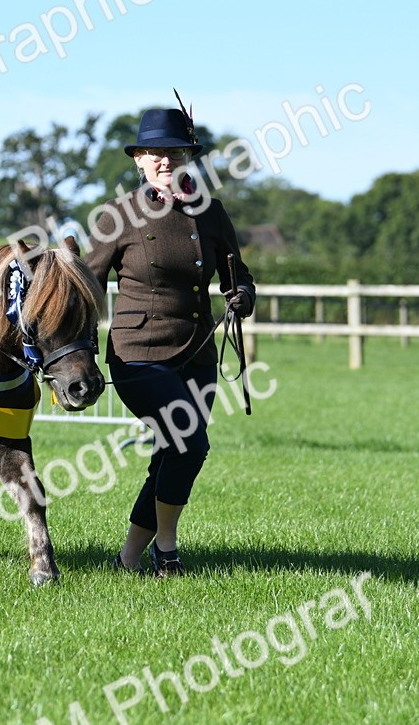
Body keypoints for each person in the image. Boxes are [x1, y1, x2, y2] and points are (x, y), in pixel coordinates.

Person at [84, 100, 255, 577]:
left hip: (198, 352)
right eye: (154, 153)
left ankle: (128, 559)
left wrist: (241, 294)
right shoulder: (116, 217)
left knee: (173, 452)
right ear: (138, 160)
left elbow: (237, 274)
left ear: (188, 158)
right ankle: (168, 548)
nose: (165, 161)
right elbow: (88, 288)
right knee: (190, 442)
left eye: (175, 153)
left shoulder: (212, 213)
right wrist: (77, 352)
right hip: (139, 355)